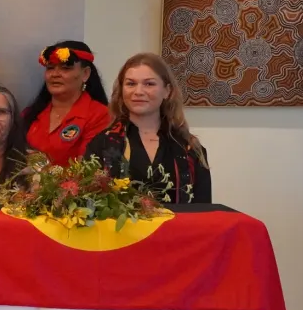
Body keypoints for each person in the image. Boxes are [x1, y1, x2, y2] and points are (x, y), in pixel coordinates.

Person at [86, 52, 211, 203]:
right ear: (121, 90)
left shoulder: (189, 148)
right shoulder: (101, 145)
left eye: (149, 84)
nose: (138, 92)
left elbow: (203, 212)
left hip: (178, 226)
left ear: (167, 91)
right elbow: (90, 205)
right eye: (131, 84)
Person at [23, 40, 109, 167]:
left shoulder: (100, 115)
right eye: (50, 68)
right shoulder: (30, 114)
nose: (55, 74)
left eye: (65, 68)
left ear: (85, 74)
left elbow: (88, 172)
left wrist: (44, 172)